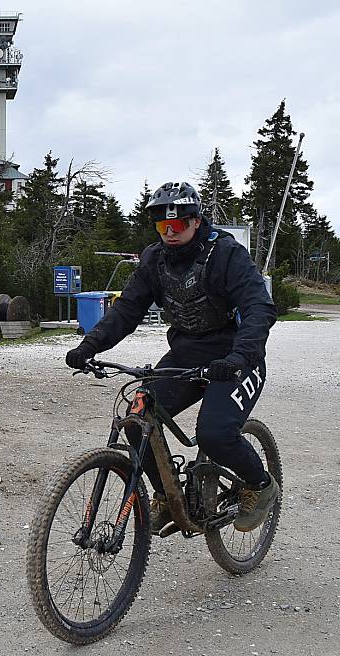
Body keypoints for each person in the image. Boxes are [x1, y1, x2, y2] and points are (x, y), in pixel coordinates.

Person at [65, 181, 279, 533]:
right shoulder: (155, 259)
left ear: (196, 221)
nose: (170, 232)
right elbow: (127, 309)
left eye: (178, 224)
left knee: (215, 433)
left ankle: (260, 485)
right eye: (162, 225)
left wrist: (241, 357)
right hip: (187, 354)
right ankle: (168, 497)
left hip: (235, 357)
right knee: (137, 419)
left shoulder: (225, 253)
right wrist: (90, 345)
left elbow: (259, 308)